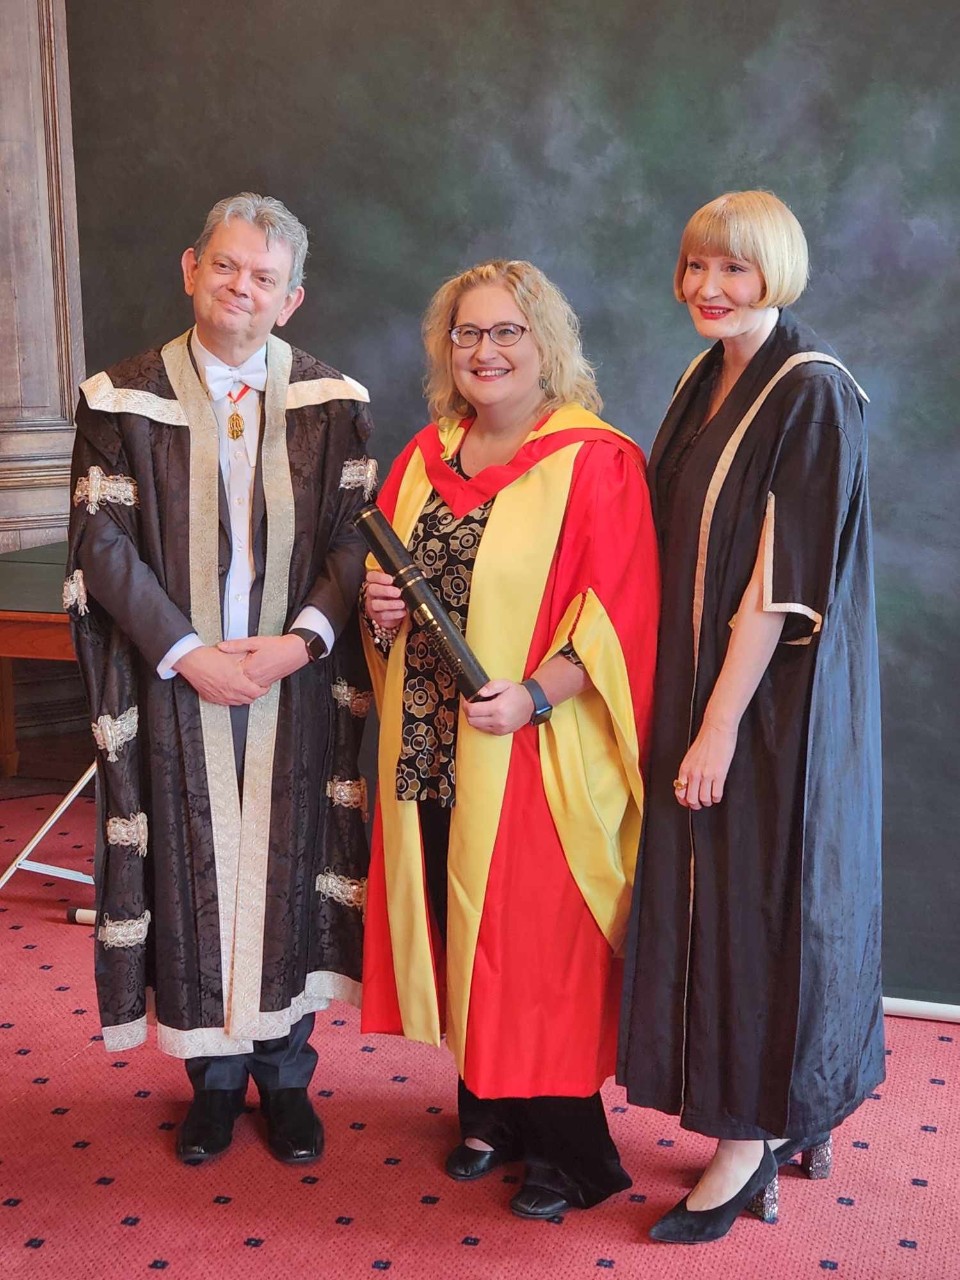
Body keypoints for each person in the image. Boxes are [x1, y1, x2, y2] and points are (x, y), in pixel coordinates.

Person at [65, 193, 374, 1166]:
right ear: (191, 267)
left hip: (294, 682)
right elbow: (102, 544)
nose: (244, 288)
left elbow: (356, 542)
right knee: (196, 872)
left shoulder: (335, 402)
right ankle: (213, 1078)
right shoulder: (120, 397)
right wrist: (187, 653)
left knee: (284, 873)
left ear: (292, 299)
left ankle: (284, 1077)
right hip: (175, 681)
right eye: (229, 266)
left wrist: (300, 642)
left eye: (266, 278)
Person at [359, 259, 659, 1219]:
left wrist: (534, 696)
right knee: (461, 923)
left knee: (533, 947)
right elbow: (399, 600)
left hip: (533, 748)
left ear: (545, 346)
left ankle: (571, 1154)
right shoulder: (424, 455)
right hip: (432, 747)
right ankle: (486, 1110)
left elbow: (613, 620)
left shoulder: (595, 460)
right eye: (466, 334)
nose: (484, 352)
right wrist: (379, 616)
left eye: (506, 333)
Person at [617, 190, 884, 1243]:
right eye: (694, 268)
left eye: (731, 270)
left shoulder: (811, 392)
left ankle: (747, 1139)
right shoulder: (705, 373)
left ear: (774, 272)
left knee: (756, 910)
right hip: (695, 685)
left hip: (775, 712)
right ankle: (786, 1106)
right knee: (707, 899)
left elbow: (780, 586)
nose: (706, 290)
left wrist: (720, 723)